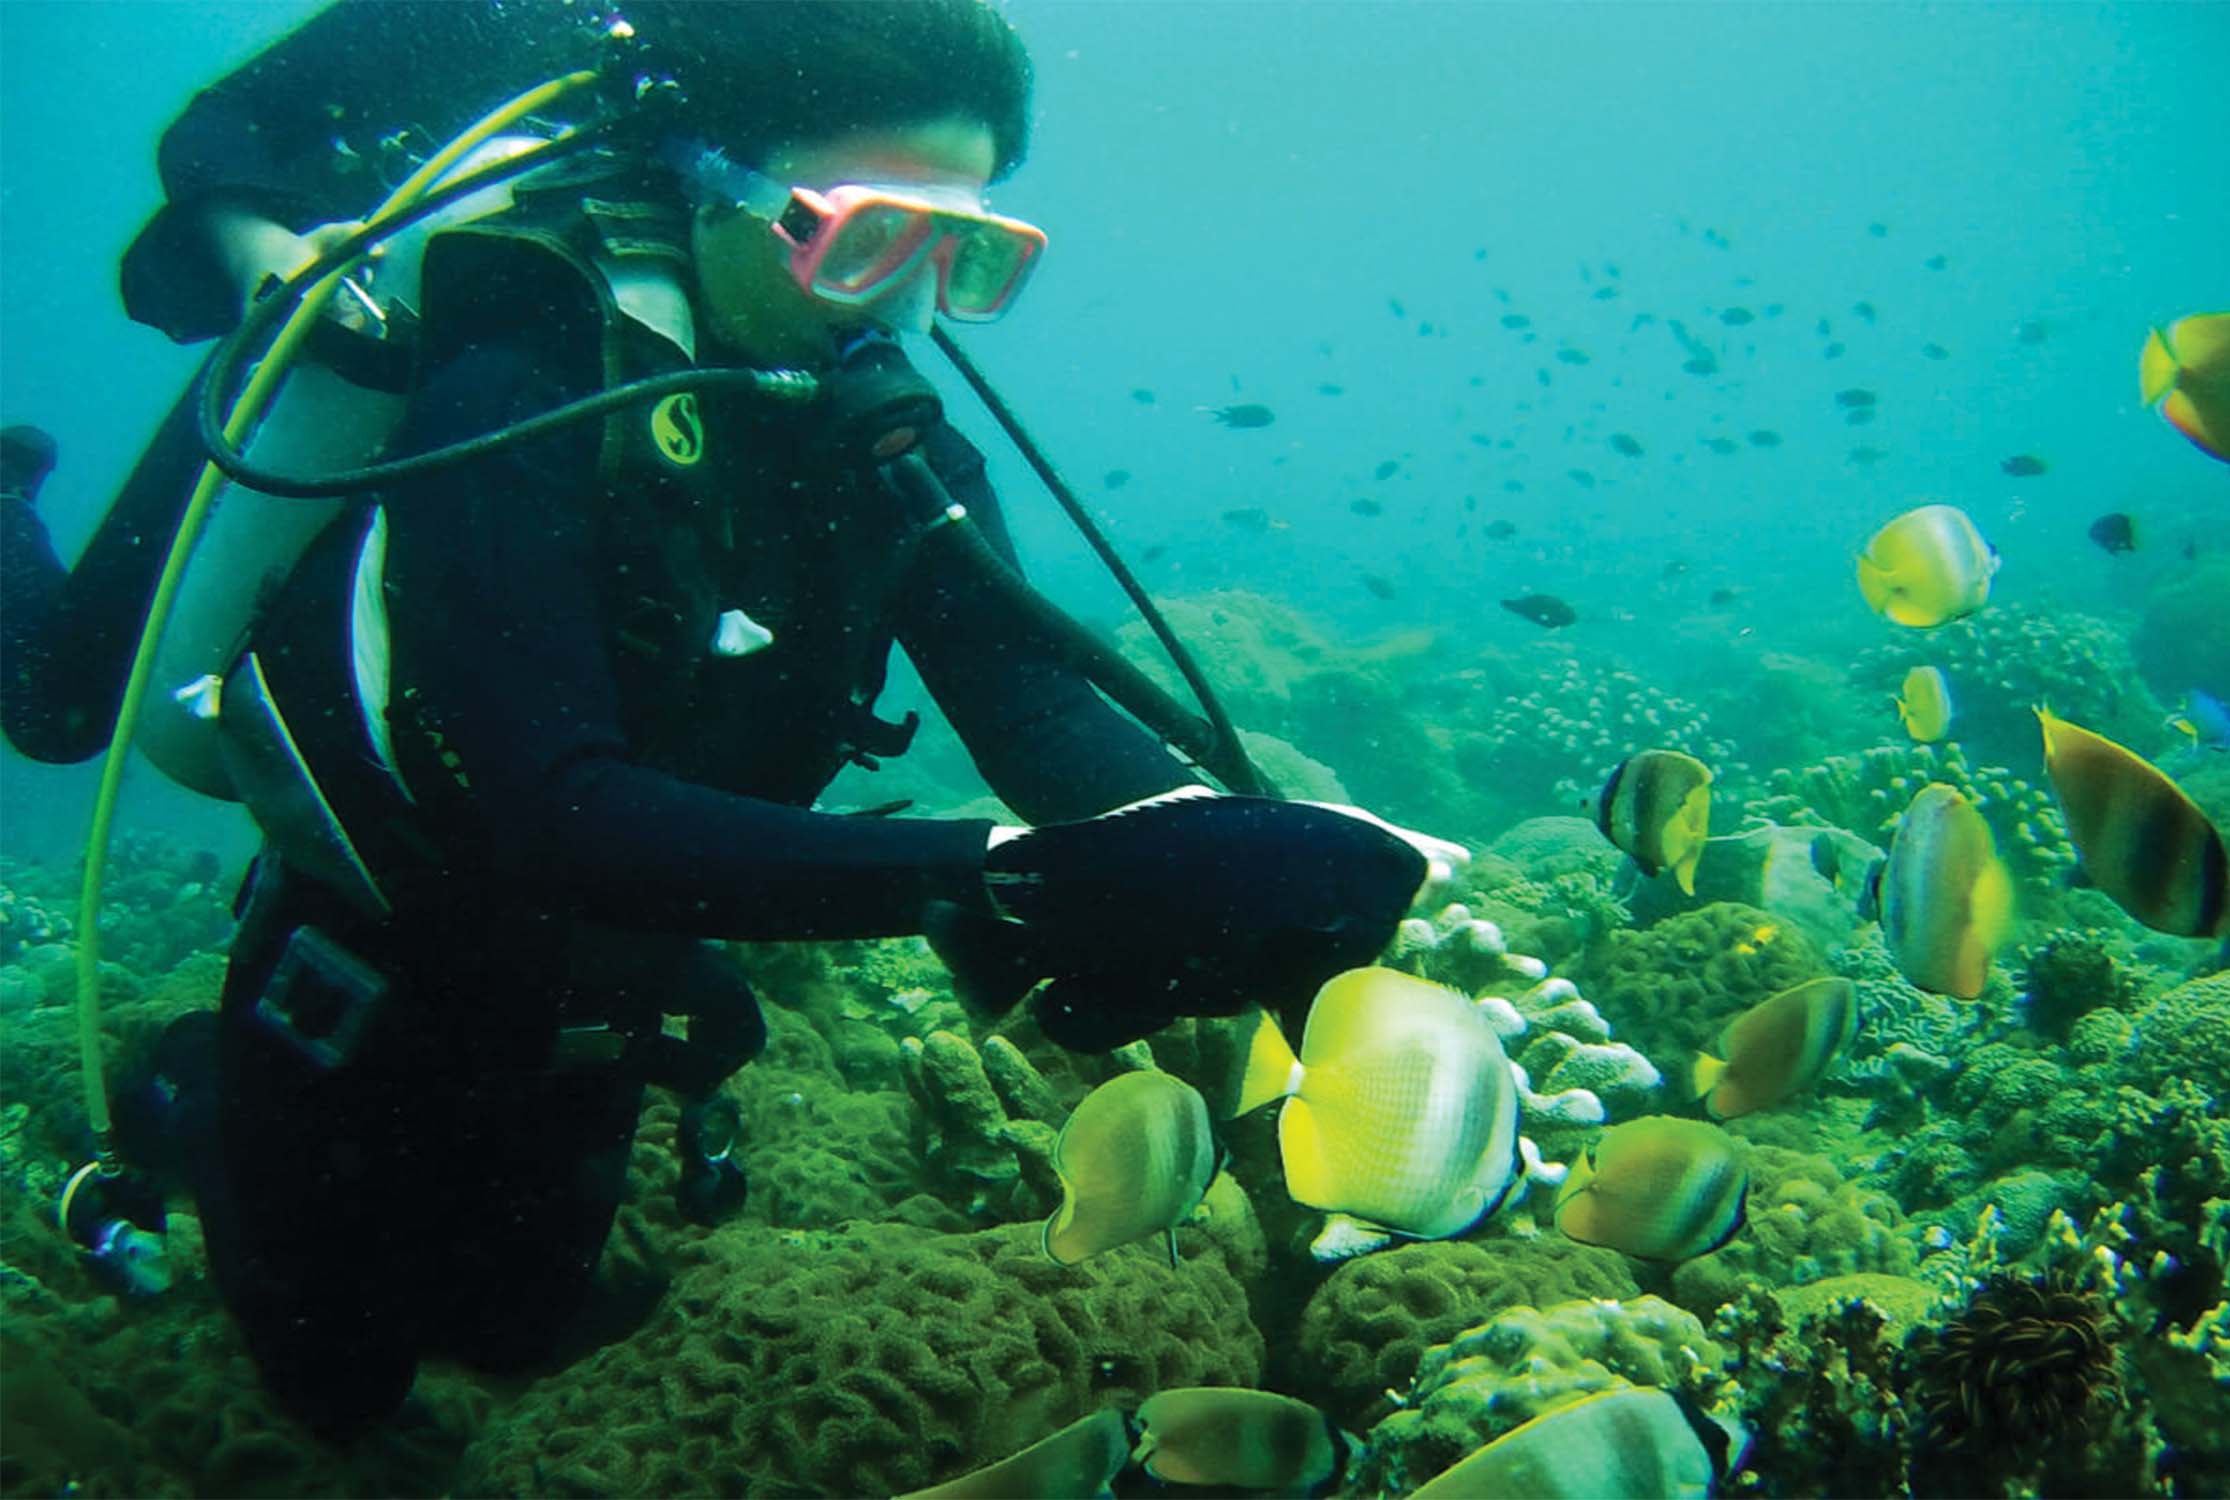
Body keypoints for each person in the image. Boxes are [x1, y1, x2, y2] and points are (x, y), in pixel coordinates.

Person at [2, 0, 1457, 1436]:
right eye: (868, 233)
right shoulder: (518, 379)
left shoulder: (885, 443)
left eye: (967, 251)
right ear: (702, 192)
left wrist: (1233, 851)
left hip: (607, 990)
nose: (904, 298)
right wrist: (1016, 875)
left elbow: (1037, 709)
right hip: (379, 958)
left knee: (511, 1331)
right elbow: (553, 808)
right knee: (336, 1395)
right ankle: (182, 1087)